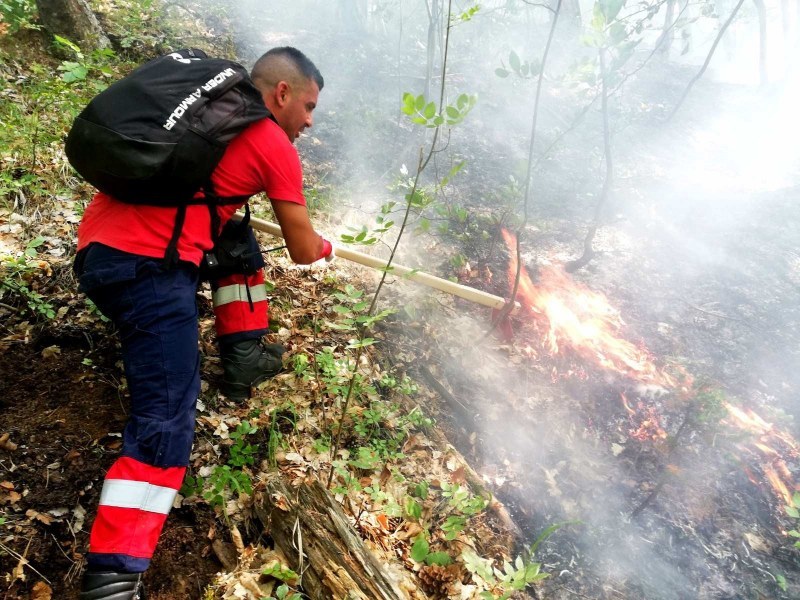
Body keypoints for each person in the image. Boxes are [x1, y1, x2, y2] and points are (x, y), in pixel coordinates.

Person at [73, 47, 332, 600]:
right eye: (308, 105)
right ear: (281, 93)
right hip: (149, 273)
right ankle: (113, 580)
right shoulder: (271, 143)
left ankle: (244, 355)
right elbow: (305, 251)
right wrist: (327, 244)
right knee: (167, 418)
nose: (309, 120)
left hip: (98, 254)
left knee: (237, 242)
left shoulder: (207, 119)